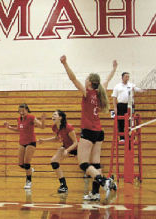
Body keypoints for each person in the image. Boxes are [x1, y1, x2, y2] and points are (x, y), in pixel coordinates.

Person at [60, 55, 117, 201]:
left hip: (89, 132)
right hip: (99, 132)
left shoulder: (87, 93)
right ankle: (95, 193)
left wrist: (65, 64)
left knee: (83, 163)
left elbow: (73, 79)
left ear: (90, 83)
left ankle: (104, 181)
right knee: (96, 163)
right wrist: (114, 69)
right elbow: (107, 80)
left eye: (86, 80)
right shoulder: (101, 92)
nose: (84, 81)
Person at [4, 103, 46, 189]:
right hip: (22, 142)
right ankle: (30, 170)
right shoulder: (19, 119)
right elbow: (19, 129)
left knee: (27, 163)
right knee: (20, 164)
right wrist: (9, 127)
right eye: (20, 111)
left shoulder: (31, 117)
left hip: (31, 142)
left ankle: (28, 181)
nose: (21, 113)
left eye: (23, 111)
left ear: (27, 110)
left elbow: (42, 127)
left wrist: (43, 120)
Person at [38, 110, 77, 193]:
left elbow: (75, 142)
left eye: (55, 114)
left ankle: (104, 180)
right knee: (54, 162)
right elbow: (57, 138)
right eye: (52, 115)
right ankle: (63, 185)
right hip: (66, 147)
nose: (53, 116)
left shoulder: (68, 127)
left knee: (87, 166)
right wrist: (44, 140)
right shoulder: (54, 127)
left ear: (60, 117)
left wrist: (67, 150)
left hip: (76, 148)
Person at [112, 72, 145, 141]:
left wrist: (144, 90)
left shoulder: (131, 85)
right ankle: (122, 138)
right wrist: (115, 107)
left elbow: (138, 89)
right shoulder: (117, 86)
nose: (127, 78)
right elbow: (114, 97)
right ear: (122, 77)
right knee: (121, 121)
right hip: (121, 105)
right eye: (126, 76)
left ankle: (131, 137)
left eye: (128, 77)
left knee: (131, 121)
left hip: (130, 105)